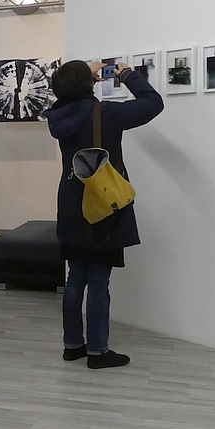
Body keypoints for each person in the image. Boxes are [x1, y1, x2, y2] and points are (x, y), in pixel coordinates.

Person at [45, 60, 163, 369]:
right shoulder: (105, 113)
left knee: (75, 278)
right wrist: (125, 74)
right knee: (98, 280)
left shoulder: (57, 115)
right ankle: (97, 352)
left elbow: (73, 97)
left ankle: (73, 345)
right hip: (102, 203)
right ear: (88, 83)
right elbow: (153, 102)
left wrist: (82, 75)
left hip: (71, 202)